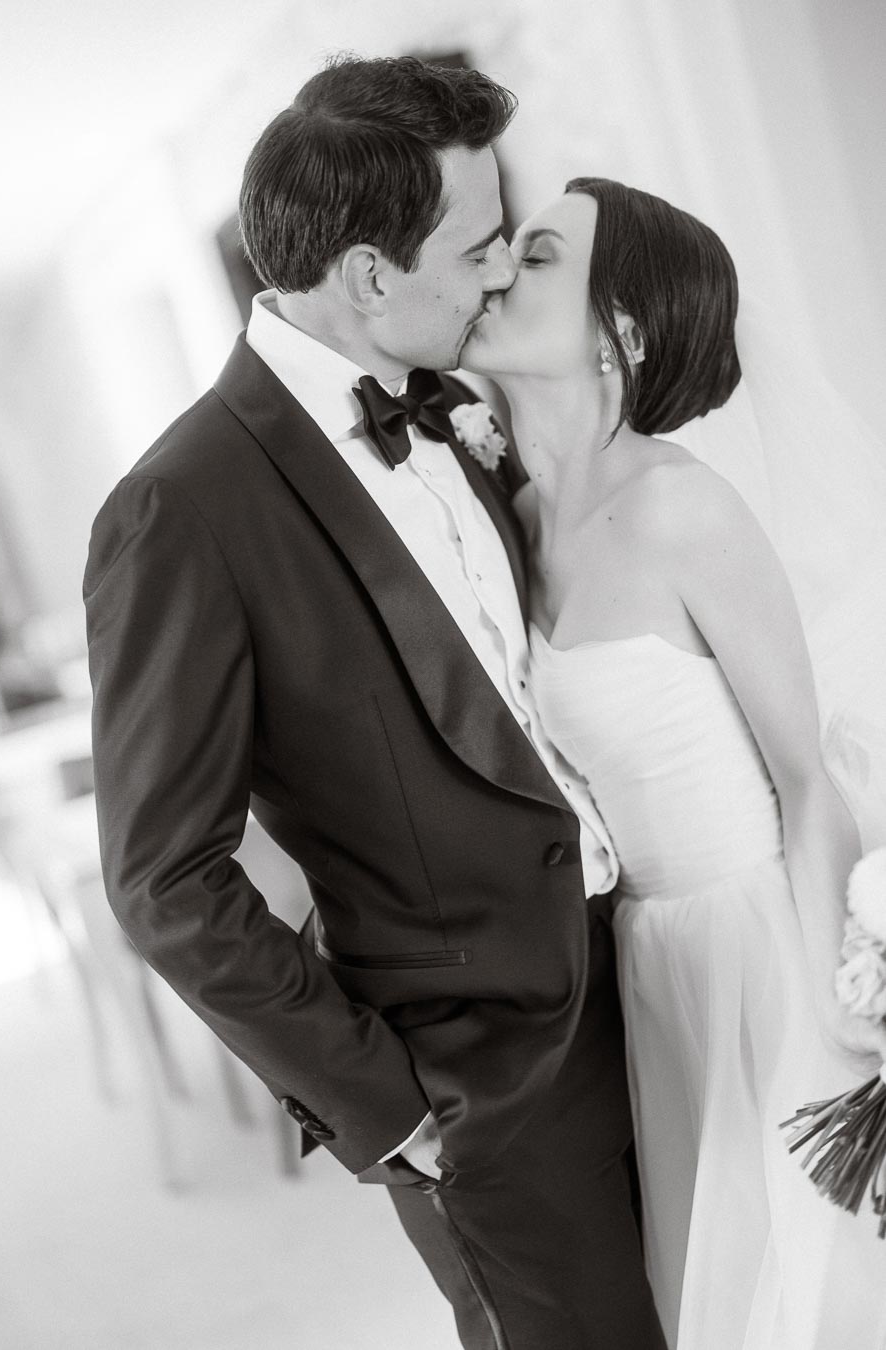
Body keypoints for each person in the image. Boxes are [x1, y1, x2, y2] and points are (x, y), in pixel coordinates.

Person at [84, 58, 665, 1350]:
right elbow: (162, 877)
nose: (502, 272)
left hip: (651, 980)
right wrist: (394, 1107)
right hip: (483, 1088)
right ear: (368, 275)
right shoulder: (182, 505)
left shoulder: (457, 404)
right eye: (477, 246)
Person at [461, 176, 886, 1350]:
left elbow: (804, 781)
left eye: (536, 256)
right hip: (646, 959)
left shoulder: (683, 512)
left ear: (622, 333)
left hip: (761, 944)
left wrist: (844, 1021)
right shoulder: (506, 511)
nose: (496, 270)